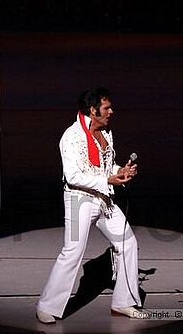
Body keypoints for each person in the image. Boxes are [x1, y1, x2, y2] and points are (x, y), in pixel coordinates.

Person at [36, 87, 142, 324]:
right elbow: (72, 176)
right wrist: (107, 179)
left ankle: (123, 302)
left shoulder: (106, 133)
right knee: (72, 252)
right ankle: (47, 305)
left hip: (104, 198)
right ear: (93, 111)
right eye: (106, 108)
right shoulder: (71, 136)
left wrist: (119, 171)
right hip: (79, 201)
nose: (111, 112)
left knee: (128, 243)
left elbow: (106, 165)